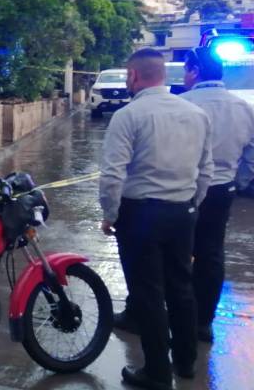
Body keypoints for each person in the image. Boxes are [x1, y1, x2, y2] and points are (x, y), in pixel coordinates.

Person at [100, 48, 213, 390]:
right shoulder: (197, 114)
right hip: (182, 213)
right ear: (164, 75)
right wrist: (191, 205)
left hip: (140, 215)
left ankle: (157, 374)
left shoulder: (128, 116)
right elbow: (205, 170)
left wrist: (110, 214)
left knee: (148, 294)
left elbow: (112, 175)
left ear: (133, 76)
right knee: (181, 288)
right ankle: (186, 362)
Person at [181, 48, 254, 343]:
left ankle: (179, 320)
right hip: (222, 192)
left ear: (195, 72)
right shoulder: (244, 108)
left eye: (186, 70)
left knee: (177, 256)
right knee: (211, 254)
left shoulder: (180, 105)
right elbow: (251, 156)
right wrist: (238, 182)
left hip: (183, 192)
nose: (184, 76)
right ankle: (203, 323)